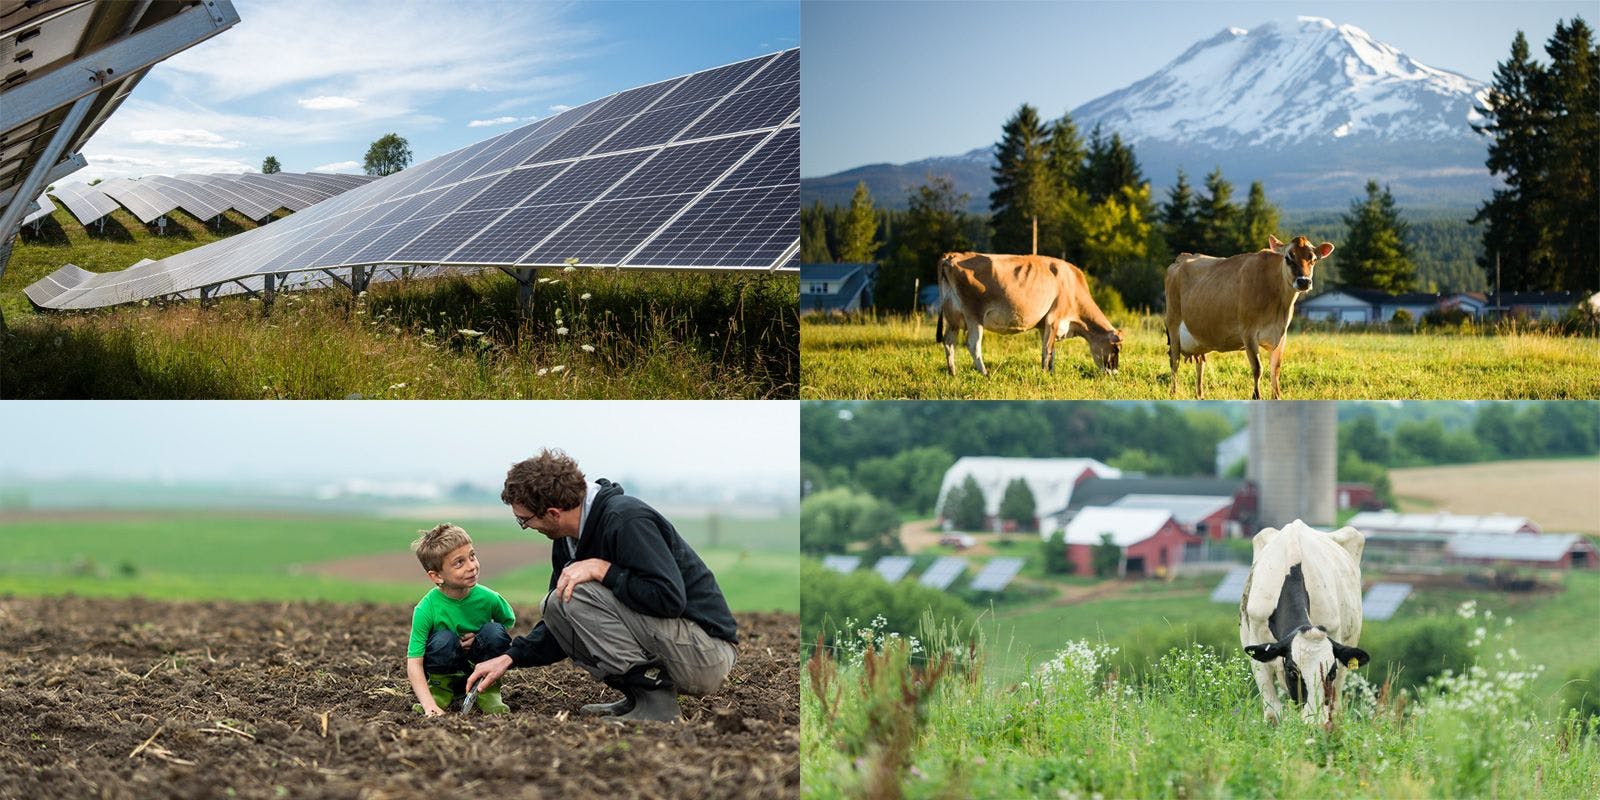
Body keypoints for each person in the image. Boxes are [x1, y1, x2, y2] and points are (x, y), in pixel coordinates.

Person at [465, 448, 738, 722]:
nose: (526, 526)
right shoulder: (568, 539)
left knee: (575, 594)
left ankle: (657, 705)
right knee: (556, 604)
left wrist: (603, 569)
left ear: (553, 513)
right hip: (677, 645)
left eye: (525, 520)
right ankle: (638, 697)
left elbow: (668, 598)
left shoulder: (626, 520)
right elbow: (561, 625)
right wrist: (510, 657)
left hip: (706, 653)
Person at [406, 523, 515, 716]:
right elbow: (414, 662)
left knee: (495, 632)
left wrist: (481, 637)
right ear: (437, 576)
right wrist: (428, 704)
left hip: (479, 666)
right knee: (443, 639)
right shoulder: (426, 608)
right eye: (459, 563)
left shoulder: (489, 598)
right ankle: (440, 691)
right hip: (444, 665)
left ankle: (487, 691)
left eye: (472, 556)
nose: (471, 566)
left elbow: (507, 623)